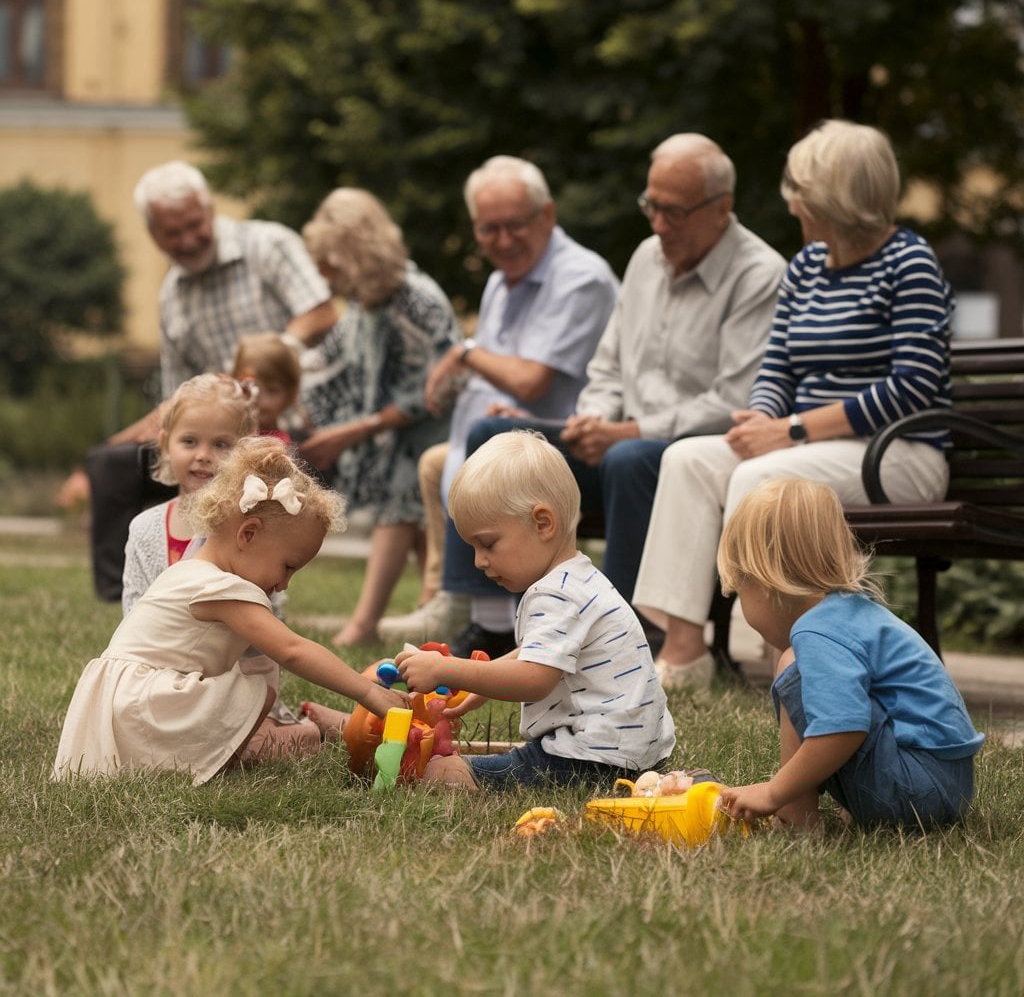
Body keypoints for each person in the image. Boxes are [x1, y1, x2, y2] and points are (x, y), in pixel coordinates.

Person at [407, 134, 785, 656]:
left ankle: (624, 631)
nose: (658, 225)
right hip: (616, 438)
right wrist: (592, 420)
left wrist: (626, 431)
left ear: (721, 208)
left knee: (632, 457)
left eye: (674, 212)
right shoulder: (647, 258)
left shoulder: (758, 274)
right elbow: (606, 365)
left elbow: (734, 399)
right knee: (493, 435)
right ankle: (492, 621)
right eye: (652, 206)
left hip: (683, 451)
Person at [632, 119, 956, 694]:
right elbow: (777, 363)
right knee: (688, 459)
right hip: (810, 444)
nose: (792, 202)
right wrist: (762, 418)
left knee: (763, 474)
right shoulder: (807, 266)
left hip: (898, 451)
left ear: (837, 197)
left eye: (801, 190)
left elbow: (914, 384)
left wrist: (793, 430)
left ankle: (787, 648)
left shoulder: (909, 263)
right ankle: (683, 652)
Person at [53, 437, 409, 786]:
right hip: (144, 708)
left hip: (130, 704)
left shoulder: (192, 571)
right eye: (287, 566)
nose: (285, 584)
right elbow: (292, 650)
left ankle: (249, 745)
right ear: (248, 534)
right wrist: (367, 692)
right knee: (260, 680)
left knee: (255, 669)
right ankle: (243, 749)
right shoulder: (220, 588)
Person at [378, 154, 619, 652]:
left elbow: (528, 381)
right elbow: (501, 386)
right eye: (490, 230)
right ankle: (448, 596)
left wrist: (465, 354)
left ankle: (487, 622)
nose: (504, 241)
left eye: (516, 225)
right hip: (528, 437)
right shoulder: (498, 283)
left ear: (547, 216)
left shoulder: (581, 276)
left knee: (488, 440)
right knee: (436, 461)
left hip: (581, 446)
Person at [83, 160, 335, 602]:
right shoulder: (173, 294)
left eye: (193, 225)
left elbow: (321, 312)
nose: (185, 239)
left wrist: (263, 365)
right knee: (110, 462)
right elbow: (177, 397)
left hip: (289, 419)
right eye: (171, 233)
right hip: (210, 430)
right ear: (153, 236)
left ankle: (248, 585)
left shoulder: (267, 244)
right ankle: (117, 593)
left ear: (209, 208)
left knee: (240, 451)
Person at [394, 430, 675, 789]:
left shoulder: (553, 594)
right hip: (632, 750)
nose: (479, 561)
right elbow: (539, 653)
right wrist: (483, 686)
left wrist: (446, 668)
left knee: (439, 773)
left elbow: (534, 679)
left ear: (543, 523)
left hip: (590, 759)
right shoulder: (580, 577)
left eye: (488, 543)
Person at [715, 477, 983, 829]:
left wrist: (772, 793)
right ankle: (822, 806)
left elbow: (844, 729)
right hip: (946, 787)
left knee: (792, 667)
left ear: (767, 583)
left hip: (916, 790)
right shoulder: (849, 613)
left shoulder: (817, 631)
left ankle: (796, 816)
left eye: (741, 588)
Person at [297, 188, 462, 646]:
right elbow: (332, 363)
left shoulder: (418, 300)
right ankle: (432, 608)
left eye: (329, 261)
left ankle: (365, 623)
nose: (322, 272)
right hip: (395, 439)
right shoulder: (363, 304)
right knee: (410, 521)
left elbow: (439, 386)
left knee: (400, 504)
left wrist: (354, 430)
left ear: (355, 252)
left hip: (432, 433)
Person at [121, 373, 259, 614]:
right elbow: (133, 613)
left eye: (220, 445)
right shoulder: (144, 529)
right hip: (156, 647)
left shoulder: (250, 528)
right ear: (165, 445)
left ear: (245, 451)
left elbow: (266, 612)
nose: (203, 455)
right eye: (189, 441)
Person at [231, 332, 308, 444]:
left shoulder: (292, 439)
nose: (261, 401)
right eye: (251, 387)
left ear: (290, 393)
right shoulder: (225, 434)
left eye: (272, 390)